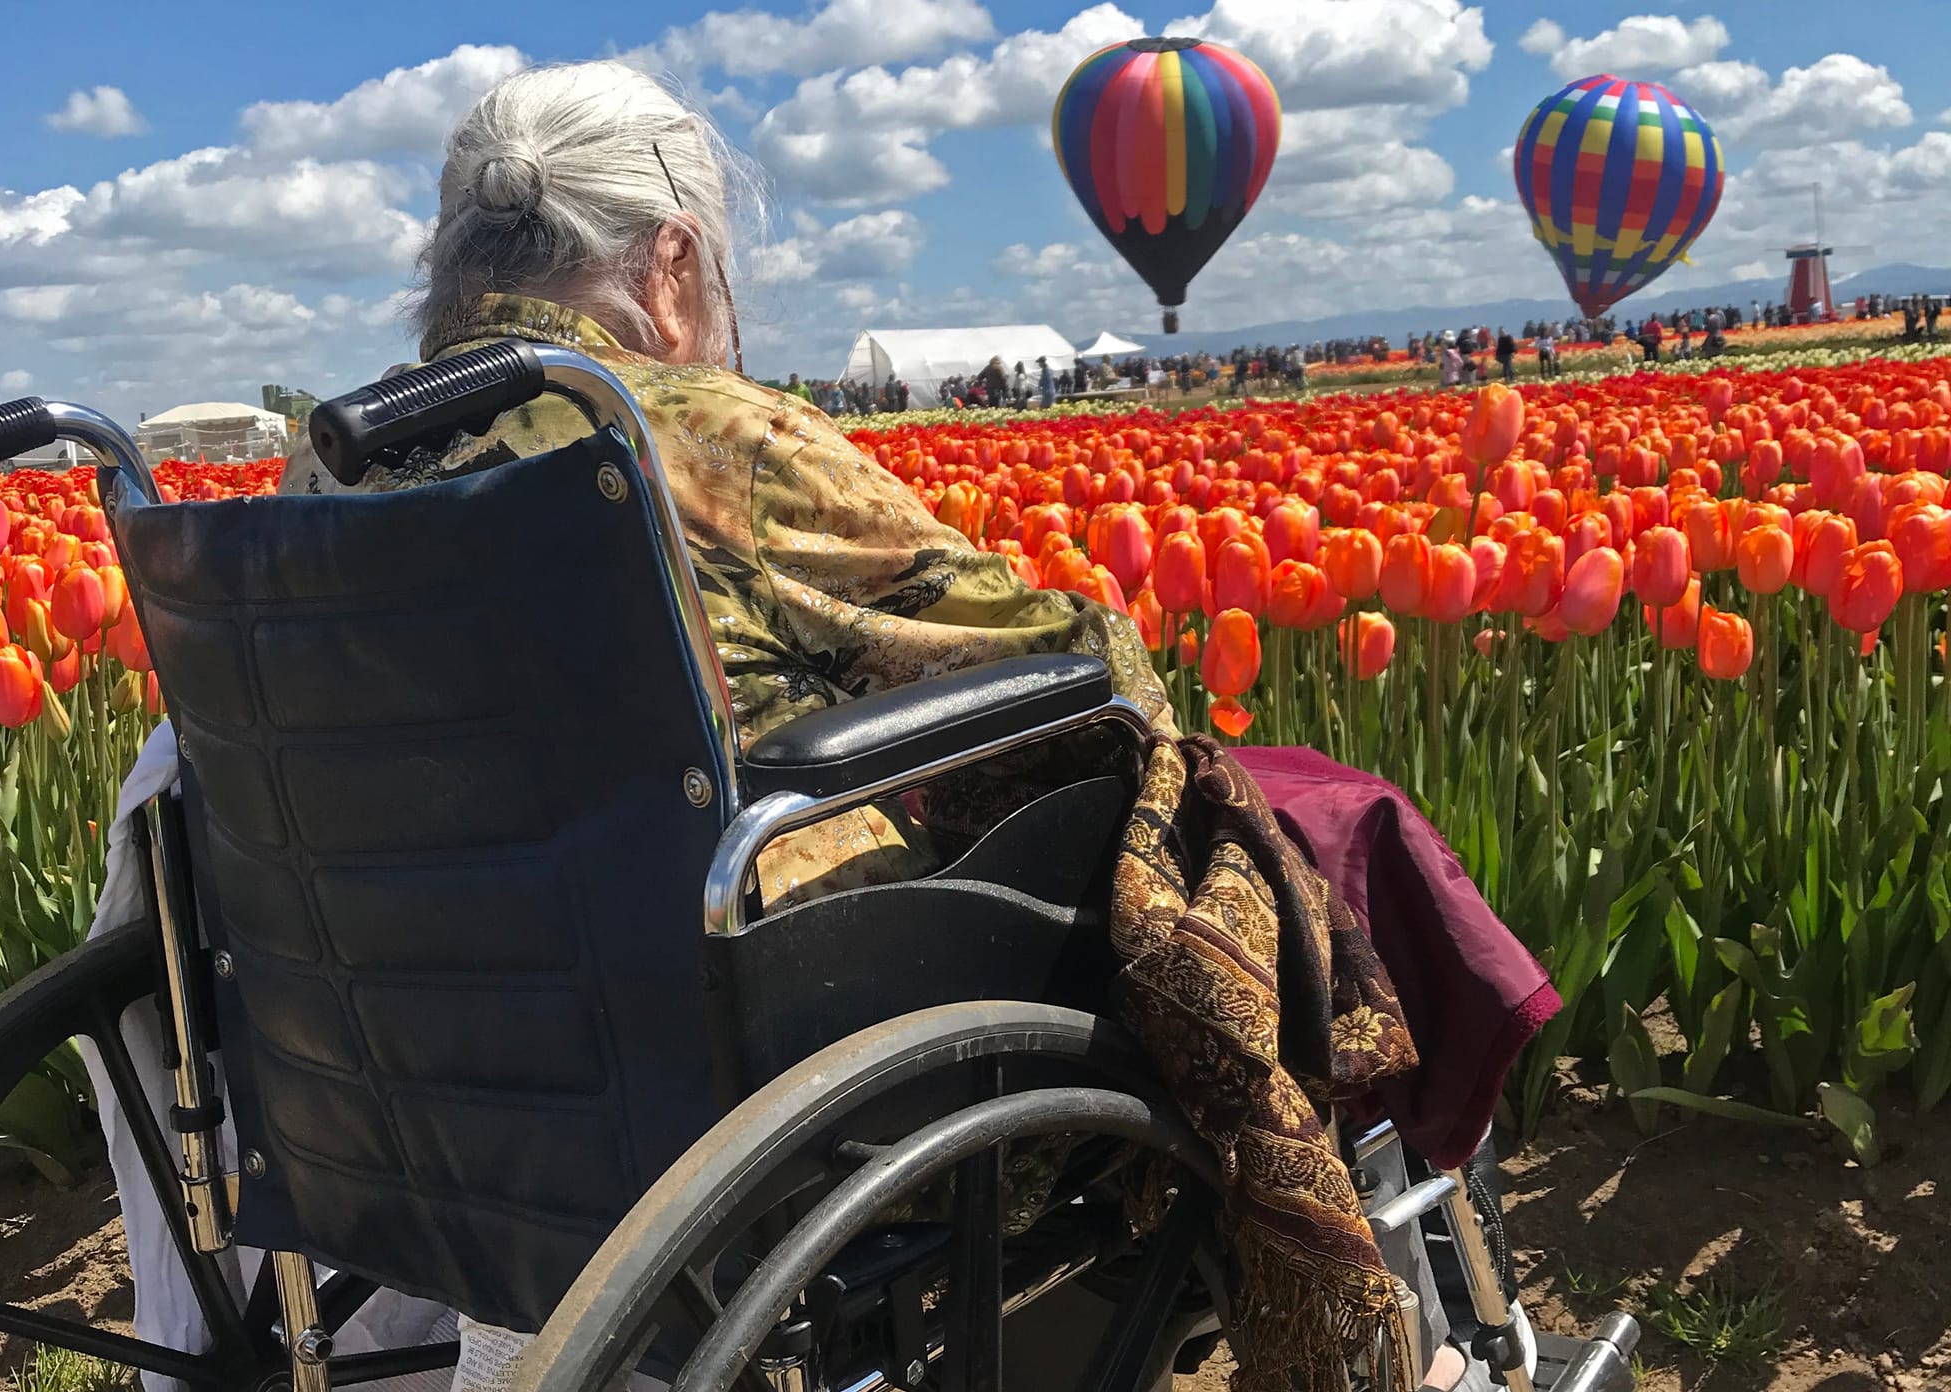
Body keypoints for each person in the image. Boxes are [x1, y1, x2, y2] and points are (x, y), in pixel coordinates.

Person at [147, 57, 1489, 1392]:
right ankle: (1406, 1354)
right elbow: (1089, 670)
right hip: (707, 1073)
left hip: (403, 1082)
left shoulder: (326, 470)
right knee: (1285, 879)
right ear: (671, 263)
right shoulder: (686, 434)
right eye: (717, 277)